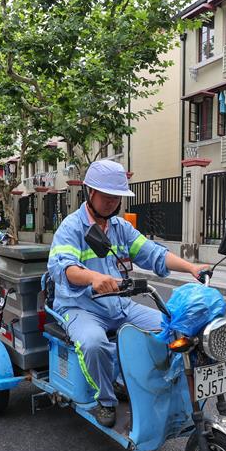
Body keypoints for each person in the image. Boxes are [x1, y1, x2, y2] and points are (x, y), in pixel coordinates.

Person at [47, 159, 208, 428]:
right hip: (80, 307)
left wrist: (191, 267)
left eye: (116, 197)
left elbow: (153, 254)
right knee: (94, 344)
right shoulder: (72, 227)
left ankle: (144, 384)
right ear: (90, 192)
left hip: (118, 305)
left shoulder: (121, 228)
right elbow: (63, 268)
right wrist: (94, 277)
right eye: (107, 196)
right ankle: (106, 400)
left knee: (173, 329)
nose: (112, 202)